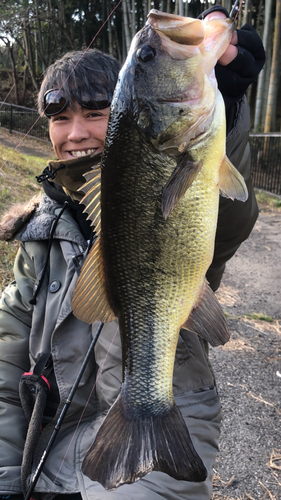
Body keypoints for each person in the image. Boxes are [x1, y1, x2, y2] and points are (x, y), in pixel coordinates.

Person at [0, 6, 265, 500]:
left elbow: (233, 217)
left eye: (96, 113)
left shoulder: (186, 150)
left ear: (127, 115)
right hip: (48, 450)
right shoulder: (37, 237)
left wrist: (230, 102)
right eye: (60, 118)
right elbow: (6, 361)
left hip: (166, 419)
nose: (75, 133)